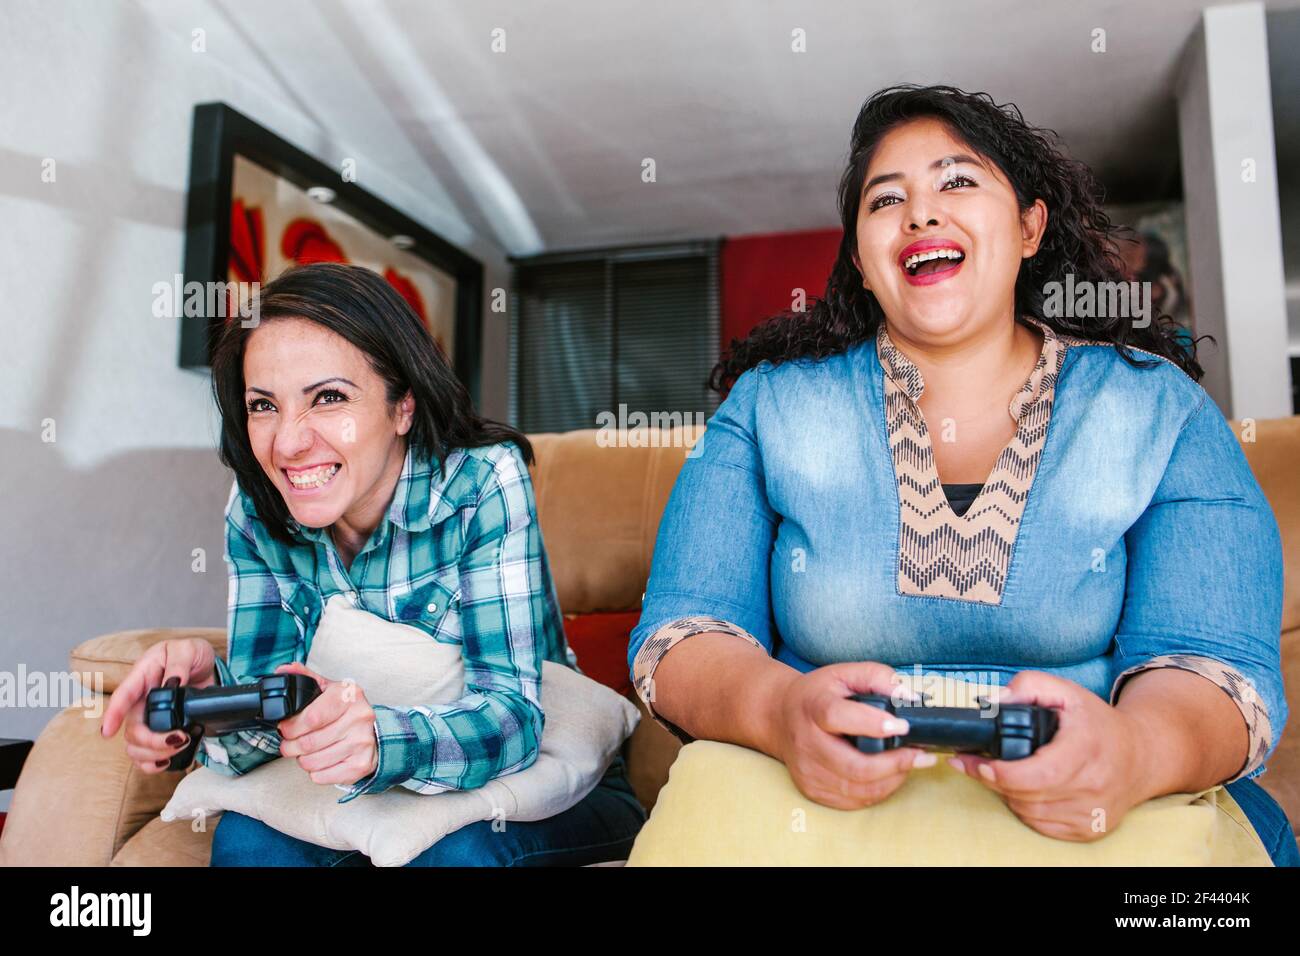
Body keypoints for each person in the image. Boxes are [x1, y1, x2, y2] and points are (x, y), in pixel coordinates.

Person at [628, 84, 1297, 865]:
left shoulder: (1157, 408)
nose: (920, 214)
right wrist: (776, 709)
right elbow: (682, 631)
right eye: (887, 200)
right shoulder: (770, 404)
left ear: (1027, 227)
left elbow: (1214, 660)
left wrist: (1133, 752)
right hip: (808, 800)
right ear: (861, 261)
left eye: (957, 181)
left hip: (1098, 808)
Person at [101, 262, 645, 866]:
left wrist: (385, 741)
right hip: (365, 796)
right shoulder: (256, 511)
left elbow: (513, 721)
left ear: (402, 406)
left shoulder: (483, 483)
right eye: (263, 405)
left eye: (328, 398)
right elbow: (262, 741)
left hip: (543, 780)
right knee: (246, 842)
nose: (287, 444)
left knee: (457, 855)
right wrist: (216, 700)